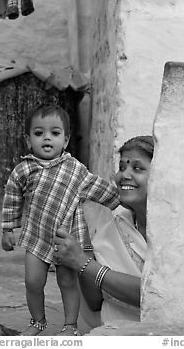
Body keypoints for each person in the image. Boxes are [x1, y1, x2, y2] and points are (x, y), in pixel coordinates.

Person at [1, 104, 120, 336]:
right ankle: (38, 322)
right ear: (28, 139)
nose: (47, 138)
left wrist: (123, 202)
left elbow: (99, 188)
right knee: (33, 282)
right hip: (37, 235)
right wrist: (8, 228)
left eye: (54, 133)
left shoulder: (75, 170)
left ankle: (70, 326)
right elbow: (12, 197)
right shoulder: (24, 169)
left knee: (67, 282)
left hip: (66, 239)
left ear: (65, 140)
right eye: (39, 133)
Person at [53, 135, 154, 329]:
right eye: (122, 167)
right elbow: (94, 301)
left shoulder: (176, 235)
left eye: (137, 168)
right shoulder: (114, 226)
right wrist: (84, 242)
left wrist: (83, 262)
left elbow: (155, 295)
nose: (124, 175)